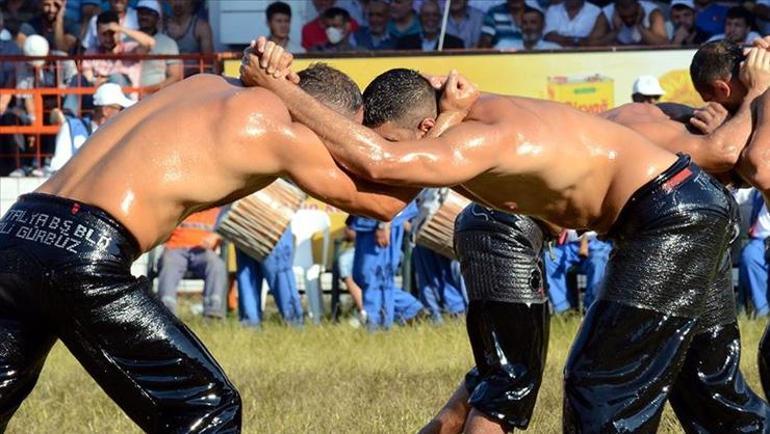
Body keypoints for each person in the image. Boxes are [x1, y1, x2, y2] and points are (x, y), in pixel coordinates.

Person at [243, 38, 761, 432]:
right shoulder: (460, 114)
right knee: (708, 388)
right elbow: (381, 176)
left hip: (672, 217)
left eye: (403, 143)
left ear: (422, 129)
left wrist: (279, 88)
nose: (408, 167)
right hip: (681, 210)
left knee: (600, 386)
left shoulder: (475, 139)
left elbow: (377, 162)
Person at [0, 50, 426, 429]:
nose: (338, 156)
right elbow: (383, 203)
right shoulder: (277, 128)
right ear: (317, 119)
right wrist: (442, 129)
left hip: (16, 231)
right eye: (338, 140)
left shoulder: (202, 83)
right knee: (207, 409)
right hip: (83, 251)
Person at [349, 202, 425, 330]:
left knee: (375, 277)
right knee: (360, 276)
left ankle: (377, 328)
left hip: (382, 219)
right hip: (366, 216)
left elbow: (392, 187)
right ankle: (411, 308)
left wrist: (383, 224)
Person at [157, 207, 228, 318]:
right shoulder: (180, 204)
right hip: (175, 248)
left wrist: (216, 236)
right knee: (169, 263)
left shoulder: (219, 207)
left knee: (217, 265)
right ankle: (166, 314)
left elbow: (227, 228)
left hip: (203, 251)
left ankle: (213, 312)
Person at [49, 82, 134, 172]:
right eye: (120, 109)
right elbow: (58, 167)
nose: (123, 114)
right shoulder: (71, 128)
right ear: (106, 110)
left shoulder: (121, 134)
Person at [235, 228, 304, 328]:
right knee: (280, 273)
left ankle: (250, 326)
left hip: (242, 223)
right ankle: (294, 323)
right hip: (271, 224)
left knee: (248, 276)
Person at [544, 230, 611, 313]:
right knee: (548, 258)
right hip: (571, 245)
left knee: (597, 261)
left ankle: (591, 308)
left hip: (599, 243)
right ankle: (564, 309)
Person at [136, 0, 182, 93]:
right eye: (141, 13)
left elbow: (175, 75)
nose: (144, 17)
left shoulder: (168, 43)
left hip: (156, 96)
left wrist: (154, 89)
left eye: (148, 13)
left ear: (157, 17)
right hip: (128, 95)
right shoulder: (127, 40)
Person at [739, 189, 770, 317]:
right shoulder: (756, 191)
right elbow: (739, 195)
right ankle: (762, 312)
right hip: (759, 240)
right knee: (749, 255)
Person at [163, 0, 213, 75]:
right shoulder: (161, 27)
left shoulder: (201, 27)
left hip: (193, 80)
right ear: (169, 2)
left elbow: (208, 64)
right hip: (167, 81)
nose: (177, 3)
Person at [395, 0, 464, 51]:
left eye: (435, 15)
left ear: (440, 18)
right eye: (426, 15)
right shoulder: (404, 43)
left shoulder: (455, 44)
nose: (431, 19)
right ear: (419, 18)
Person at [599, 0, 668, 46]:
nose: (629, 20)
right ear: (616, 11)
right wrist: (615, 31)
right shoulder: (607, 13)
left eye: (632, 16)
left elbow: (664, 44)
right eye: (624, 17)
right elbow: (591, 44)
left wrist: (640, 26)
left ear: (639, 8)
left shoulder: (652, 12)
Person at [542, 0, 607, 48]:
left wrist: (563, 40)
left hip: (583, 55)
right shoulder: (553, 10)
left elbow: (593, 42)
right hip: (555, 54)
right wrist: (577, 40)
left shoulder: (596, 12)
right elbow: (549, 36)